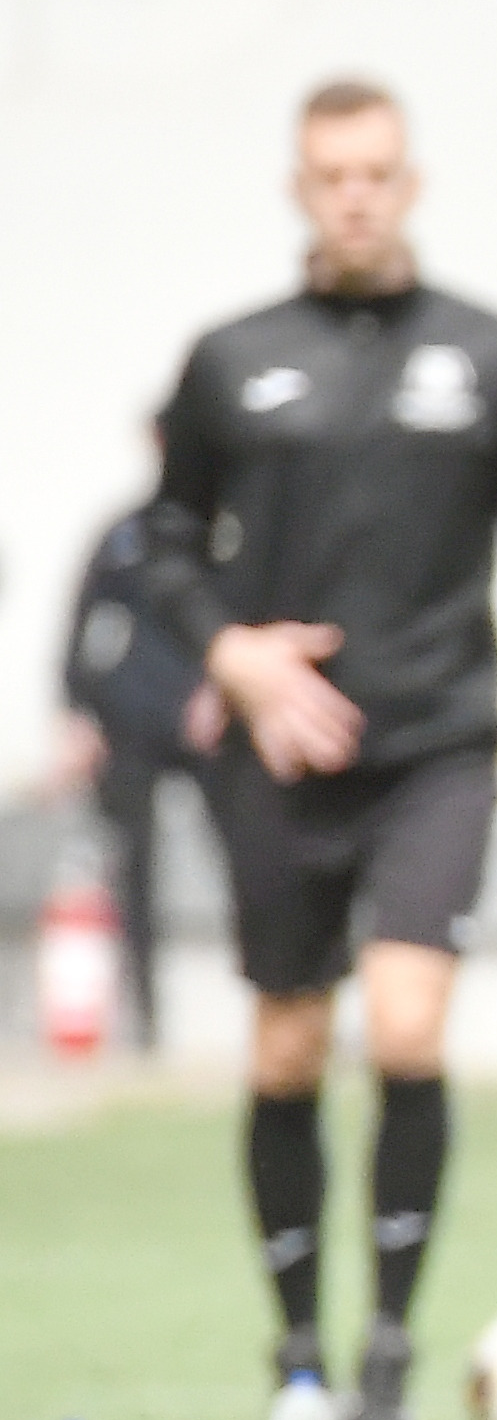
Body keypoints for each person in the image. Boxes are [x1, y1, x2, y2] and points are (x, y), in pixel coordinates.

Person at [145, 80, 497, 1420]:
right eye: (332, 174)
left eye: (378, 173)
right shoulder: (232, 359)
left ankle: (390, 1352)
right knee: (287, 1052)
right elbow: (162, 545)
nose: (356, 194)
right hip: (281, 760)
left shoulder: (492, 356)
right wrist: (232, 657)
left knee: (404, 1026)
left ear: (411, 185)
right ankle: (298, 1352)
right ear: (302, 189)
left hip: (438, 749)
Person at [53, 428, 227, 1054]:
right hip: (131, 720)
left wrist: (226, 690)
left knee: (249, 862)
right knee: (136, 873)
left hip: (209, 724)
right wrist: (75, 714)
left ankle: (275, 1003)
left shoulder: (228, 534)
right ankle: (148, 1024)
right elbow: (80, 624)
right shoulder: (125, 534)